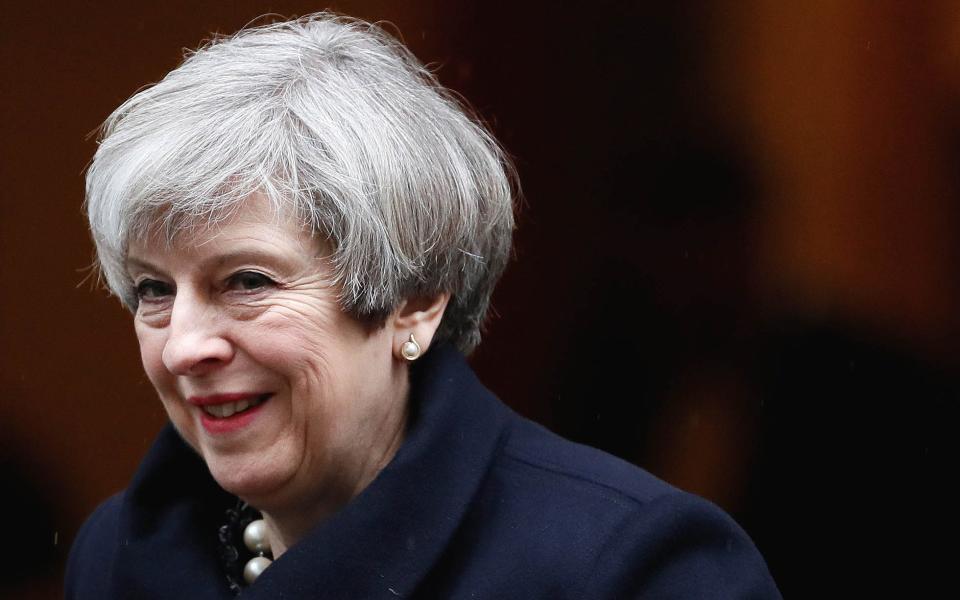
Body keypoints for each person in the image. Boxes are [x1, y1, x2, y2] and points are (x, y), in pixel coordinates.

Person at [66, 13, 780, 599]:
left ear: (413, 304)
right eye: (154, 289)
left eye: (247, 282)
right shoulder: (118, 558)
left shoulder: (630, 567)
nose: (184, 346)